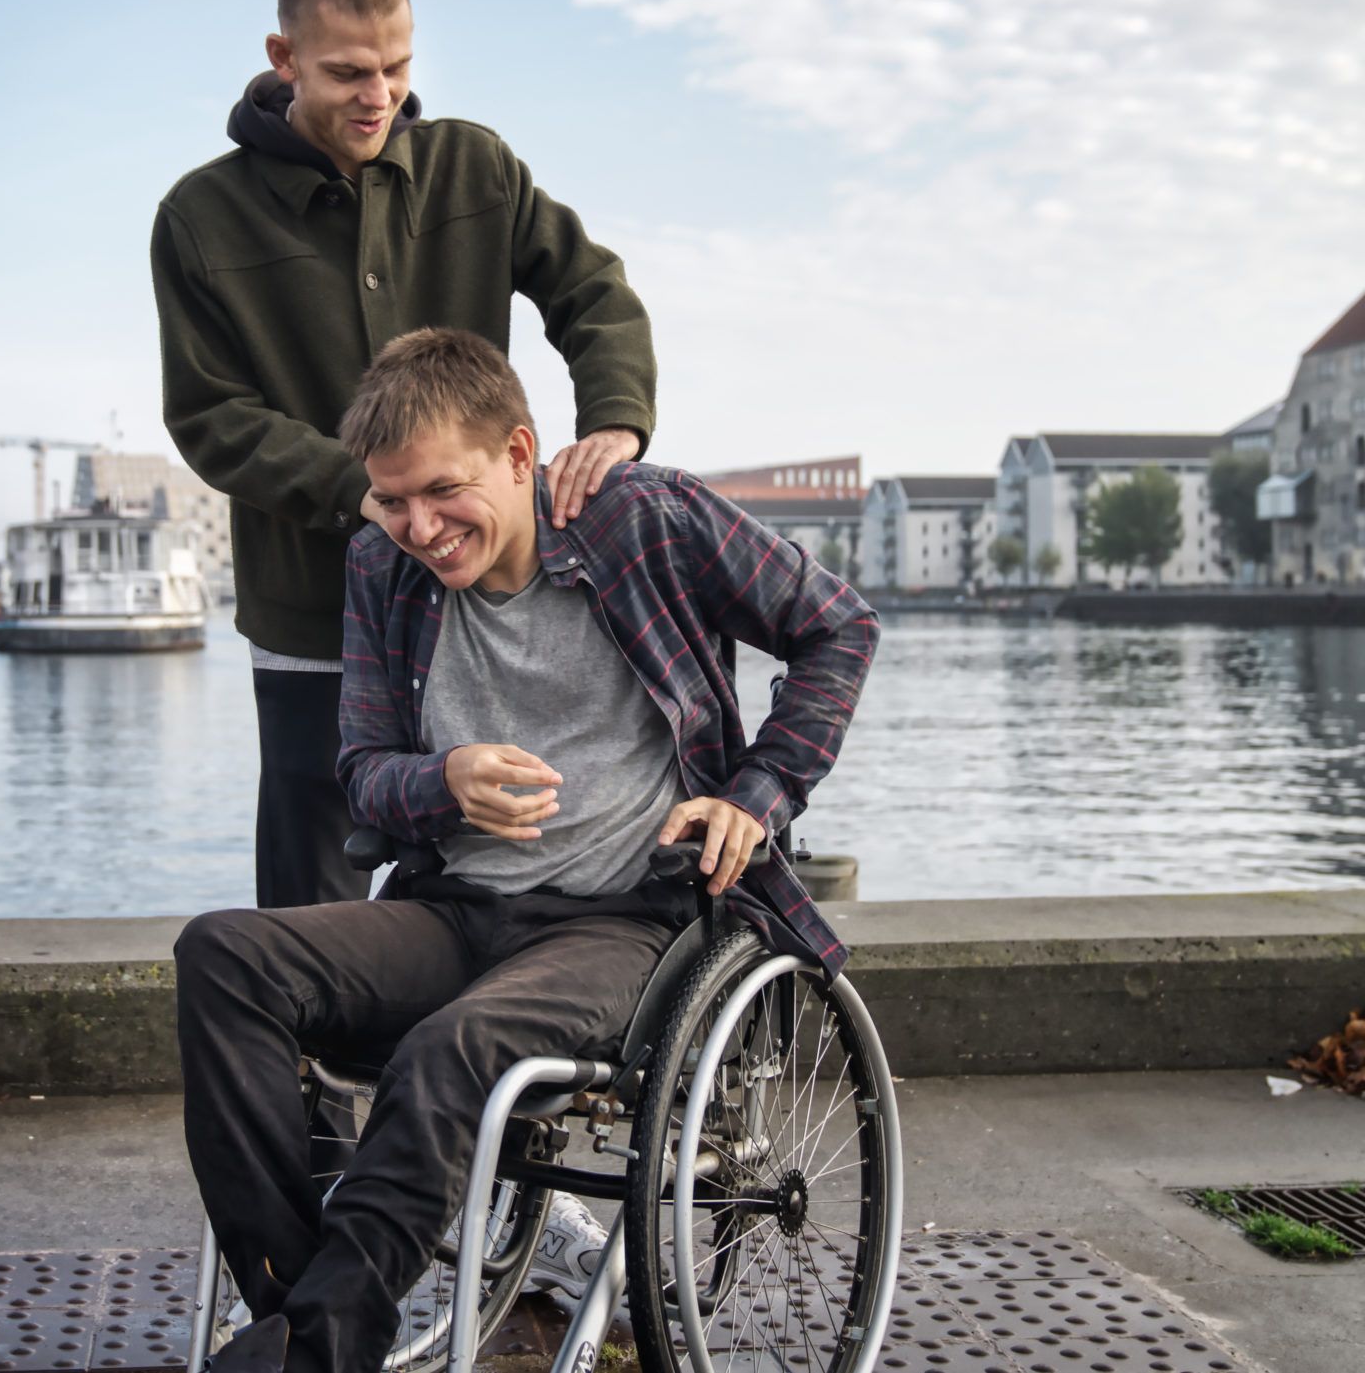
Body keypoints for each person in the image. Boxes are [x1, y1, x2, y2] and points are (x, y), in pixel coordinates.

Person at [173, 328, 878, 1373]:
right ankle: (293, 1314)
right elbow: (362, 765)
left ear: (517, 452)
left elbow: (838, 627)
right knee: (222, 956)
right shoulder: (382, 564)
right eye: (393, 499)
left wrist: (755, 795)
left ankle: (315, 1352)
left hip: (627, 919)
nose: (419, 526)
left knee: (454, 1046)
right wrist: (441, 781)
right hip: (455, 906)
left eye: (441, 491)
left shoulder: (643, 519)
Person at [151, 0, 658, 913]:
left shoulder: (476, 168)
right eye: (346, 72)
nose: (377, 93)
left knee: (497, 859)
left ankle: (460, 1061)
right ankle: (310, 1070)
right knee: (313, 886)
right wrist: (364, 495)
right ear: (282, 58)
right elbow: (210, 416)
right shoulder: (200, 218)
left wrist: (616, 423)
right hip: (309, 610)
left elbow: (592, 292)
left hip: (483, 599)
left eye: (396, 67)